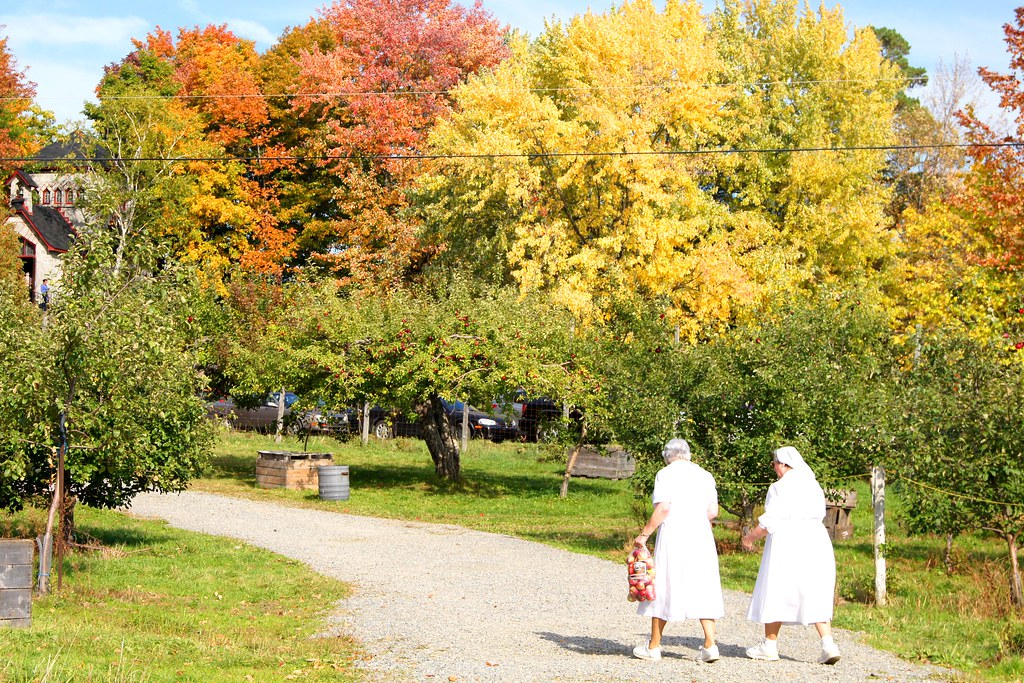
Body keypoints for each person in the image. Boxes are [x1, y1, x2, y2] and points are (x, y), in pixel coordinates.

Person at [741, 446, 841, 665]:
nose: (774, 468)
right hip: (816, 539)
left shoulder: (780, 487)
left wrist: (750, 538)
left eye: (775, 463)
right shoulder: (812, 484)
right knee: (813, 588)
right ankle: (828, 644)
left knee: (776, 588)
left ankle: (769, 645)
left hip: (788, 541)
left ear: (784, 464)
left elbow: (771, 520)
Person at [632, 438, 724, 663]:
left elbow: (663, 507)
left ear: (668, 456)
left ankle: (654, 646)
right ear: (687, 454)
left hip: (674, 535)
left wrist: (644, 535)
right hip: (701, 537)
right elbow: (713, 512)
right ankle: (710, 645)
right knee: (703, 584)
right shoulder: (705, 475)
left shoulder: (666, 474)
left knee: (664, 584)